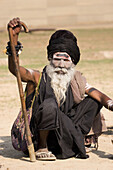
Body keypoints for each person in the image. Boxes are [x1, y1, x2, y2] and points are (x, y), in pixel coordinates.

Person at [7, 18, 113, 161]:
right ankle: (42, 148)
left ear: (73, 62)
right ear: (50, 58)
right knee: (50, 105)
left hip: (65, 129)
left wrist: (110, 103)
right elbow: (16, 70)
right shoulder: (39, 77)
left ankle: (77, 140)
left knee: (93, 102)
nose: (61, 65)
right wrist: (14, 40)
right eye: (57, 59)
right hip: (43, 132)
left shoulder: (76, 79)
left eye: (66, 60)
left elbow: (98, 95)